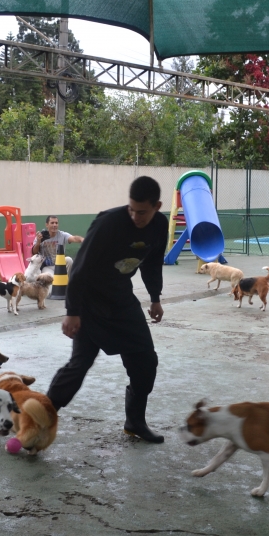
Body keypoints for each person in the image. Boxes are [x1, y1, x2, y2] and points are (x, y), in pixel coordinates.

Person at [46, 176, 168, 443]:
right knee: (80, 364)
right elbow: (80, 268)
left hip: (121, 299)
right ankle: (40, 416)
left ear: (157, 206)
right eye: (131, 209)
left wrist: (155, 298)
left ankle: (134, 421)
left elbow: (152, 263)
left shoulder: (160, 225)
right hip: (89, 301)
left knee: (145, 362)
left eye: (143, 212)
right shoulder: (108, 222)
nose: (136, 216)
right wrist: (72, 311)